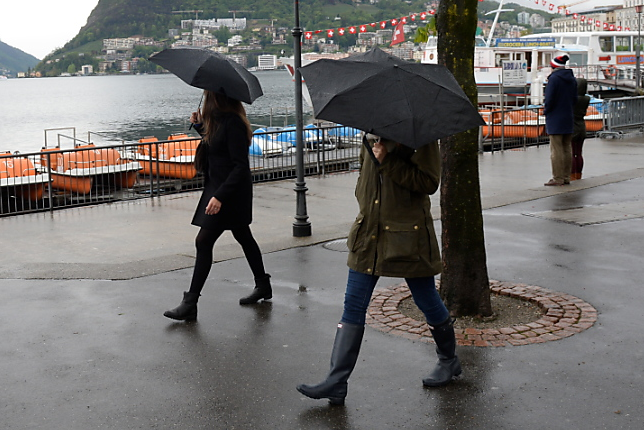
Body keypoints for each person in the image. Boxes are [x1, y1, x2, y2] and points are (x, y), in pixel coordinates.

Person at [297, 134, 458, 406]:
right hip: (369, 232)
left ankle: (449, 360)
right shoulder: (370, 131)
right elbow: (365, 177)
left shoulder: (421, 136)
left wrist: (388, 160)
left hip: (407, 235)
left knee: (426, 299)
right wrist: (365, 194)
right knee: (353, 304)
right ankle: (337, 381)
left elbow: (429, 183)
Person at [163, 90, 271, 321]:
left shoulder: (233, 124)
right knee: (243, 236)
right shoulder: (219, 122)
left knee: (203, 241)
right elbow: (216, 146)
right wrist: (200, 126)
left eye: (208, 95)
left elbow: (240, 166)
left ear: (217, 99)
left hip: (229, 193)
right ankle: (263, 285)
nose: (205, 100)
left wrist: (220, 196)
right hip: (218, 188)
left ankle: (190, 302)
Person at [542, 54, 577, 186]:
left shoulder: (554, 79)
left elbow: (549, 99)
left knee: (556, 149)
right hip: (568, 115)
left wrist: (546, 111)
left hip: (555, 117)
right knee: (567, 147)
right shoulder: (572, 79)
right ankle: (567, 176)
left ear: (553, 67)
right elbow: (575, 99)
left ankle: (558, 178)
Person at [571, 78, 590, 180]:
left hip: (573, 126)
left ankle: (572, 173)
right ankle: (579, 172)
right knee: (579, 153)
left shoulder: (573, 99)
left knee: (572, 152)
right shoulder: (586, 99)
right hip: (582, 126)